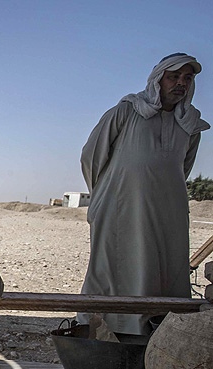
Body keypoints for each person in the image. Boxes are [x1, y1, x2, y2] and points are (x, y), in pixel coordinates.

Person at [80, 53, 208, 337]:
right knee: (115, 266)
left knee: (164, 270)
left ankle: (158, 334)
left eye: (187, 78)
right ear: (157, 80)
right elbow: (91, 157)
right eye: (173, 77)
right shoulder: (127, 111)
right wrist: (104, 195)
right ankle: (105, 332)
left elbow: (181, 168)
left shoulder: (191, 125)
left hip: (168, 213)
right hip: (121, 206)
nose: (181, 83)